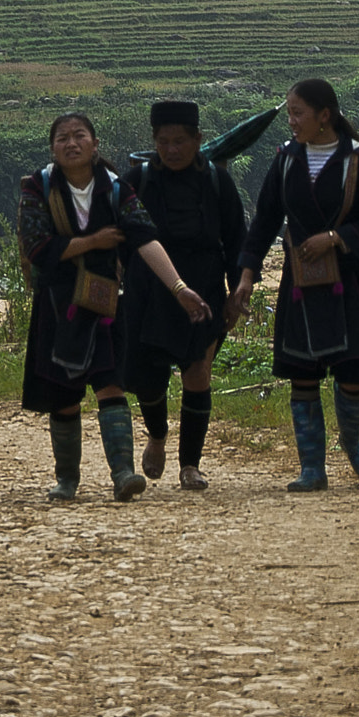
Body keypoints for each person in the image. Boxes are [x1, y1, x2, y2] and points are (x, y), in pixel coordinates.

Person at [18, 112, 210, 502]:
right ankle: (67, 479)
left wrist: (179, 288)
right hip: (58, 304)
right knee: (65, 394)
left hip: (104, 302)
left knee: (111, 384)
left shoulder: (117, 189)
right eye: (63, 139)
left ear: (95, 143)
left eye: (79, 136)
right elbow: (37, 249)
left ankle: (123, 473)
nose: (71, 144)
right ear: (53, 148)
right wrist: (94, 242)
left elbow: (145, 239)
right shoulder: (38, 188)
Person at [230, 76, 359, 492]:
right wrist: (247, 275)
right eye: (289, 113)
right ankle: (311, 468)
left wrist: (337, 239)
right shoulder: (286, 160)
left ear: (325, 116)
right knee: (302, 375)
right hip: (300, 286)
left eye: (298, 113)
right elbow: (265, 220)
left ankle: (353, 442)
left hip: (349, 286)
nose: (291, 121)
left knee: (352, 371)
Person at [120, 101, 246, 491]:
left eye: (179, 141)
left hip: (204, 288)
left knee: (197, 372)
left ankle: (190, 464)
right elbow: (122, 236)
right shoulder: (136, 181)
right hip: (149, 291)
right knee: (151, 380)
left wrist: (237, 289)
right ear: (153, 142)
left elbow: (237, 241)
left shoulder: (217, 182)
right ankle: (157, 437)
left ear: (198, 140)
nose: (171, 150)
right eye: (163, 142)